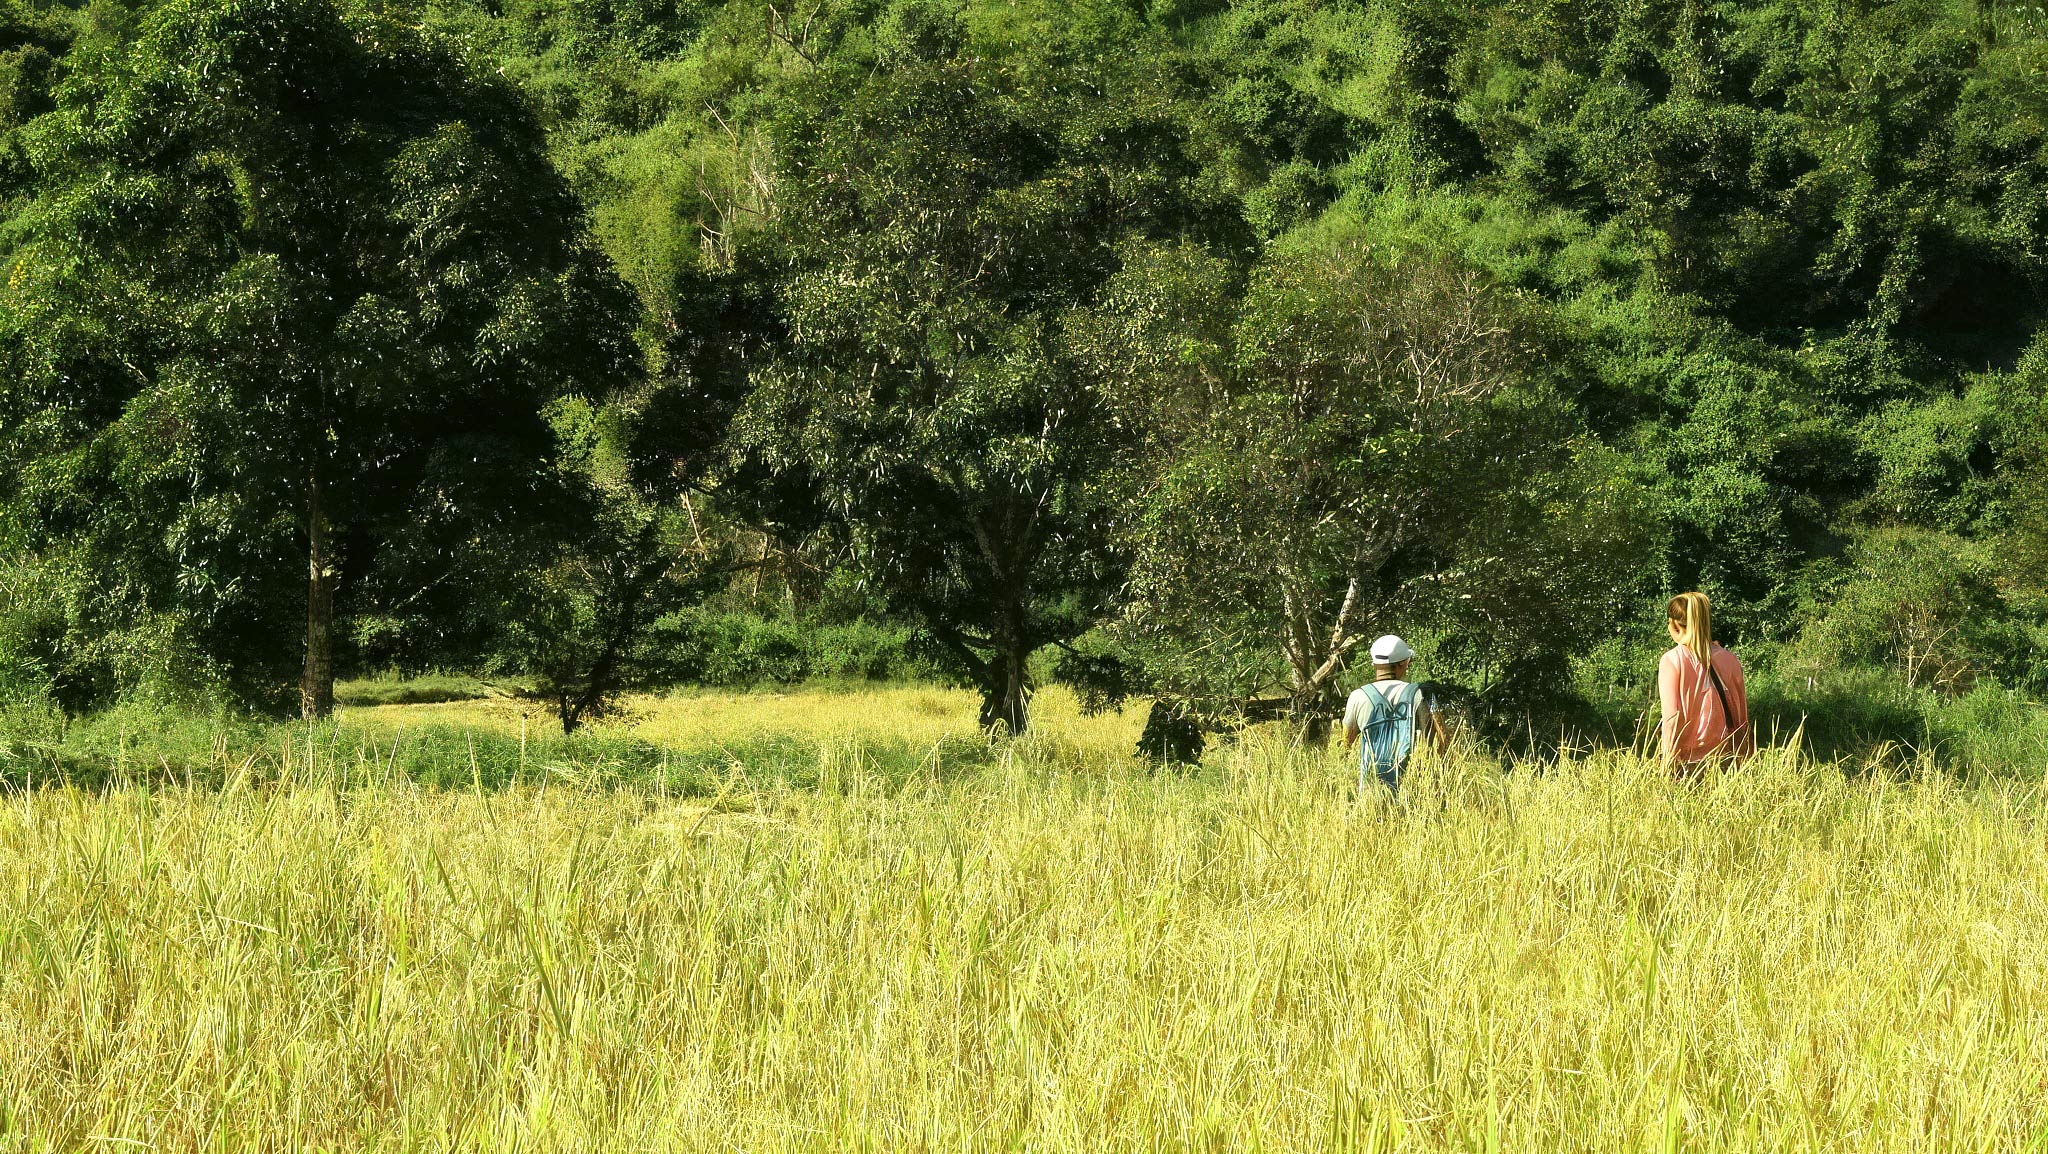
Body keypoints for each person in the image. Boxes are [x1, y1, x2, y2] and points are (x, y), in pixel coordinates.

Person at [1659, 592, 1753, 775]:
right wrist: (1744, 758)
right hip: (1726, 763)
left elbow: (1672, 718)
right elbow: (1742, 715)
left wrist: (1667, 762)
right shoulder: (1730, 659)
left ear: (1674, 624)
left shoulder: (1672, 661)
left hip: (1687, 765)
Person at [1343, 634, 1449, 796]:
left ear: (1375, 664)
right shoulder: (1418, 694)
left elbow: (1346, 743)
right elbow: (1440, 740)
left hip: (1369, 794)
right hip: (1410, 794)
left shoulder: (1358, 696)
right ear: (1402, 663)